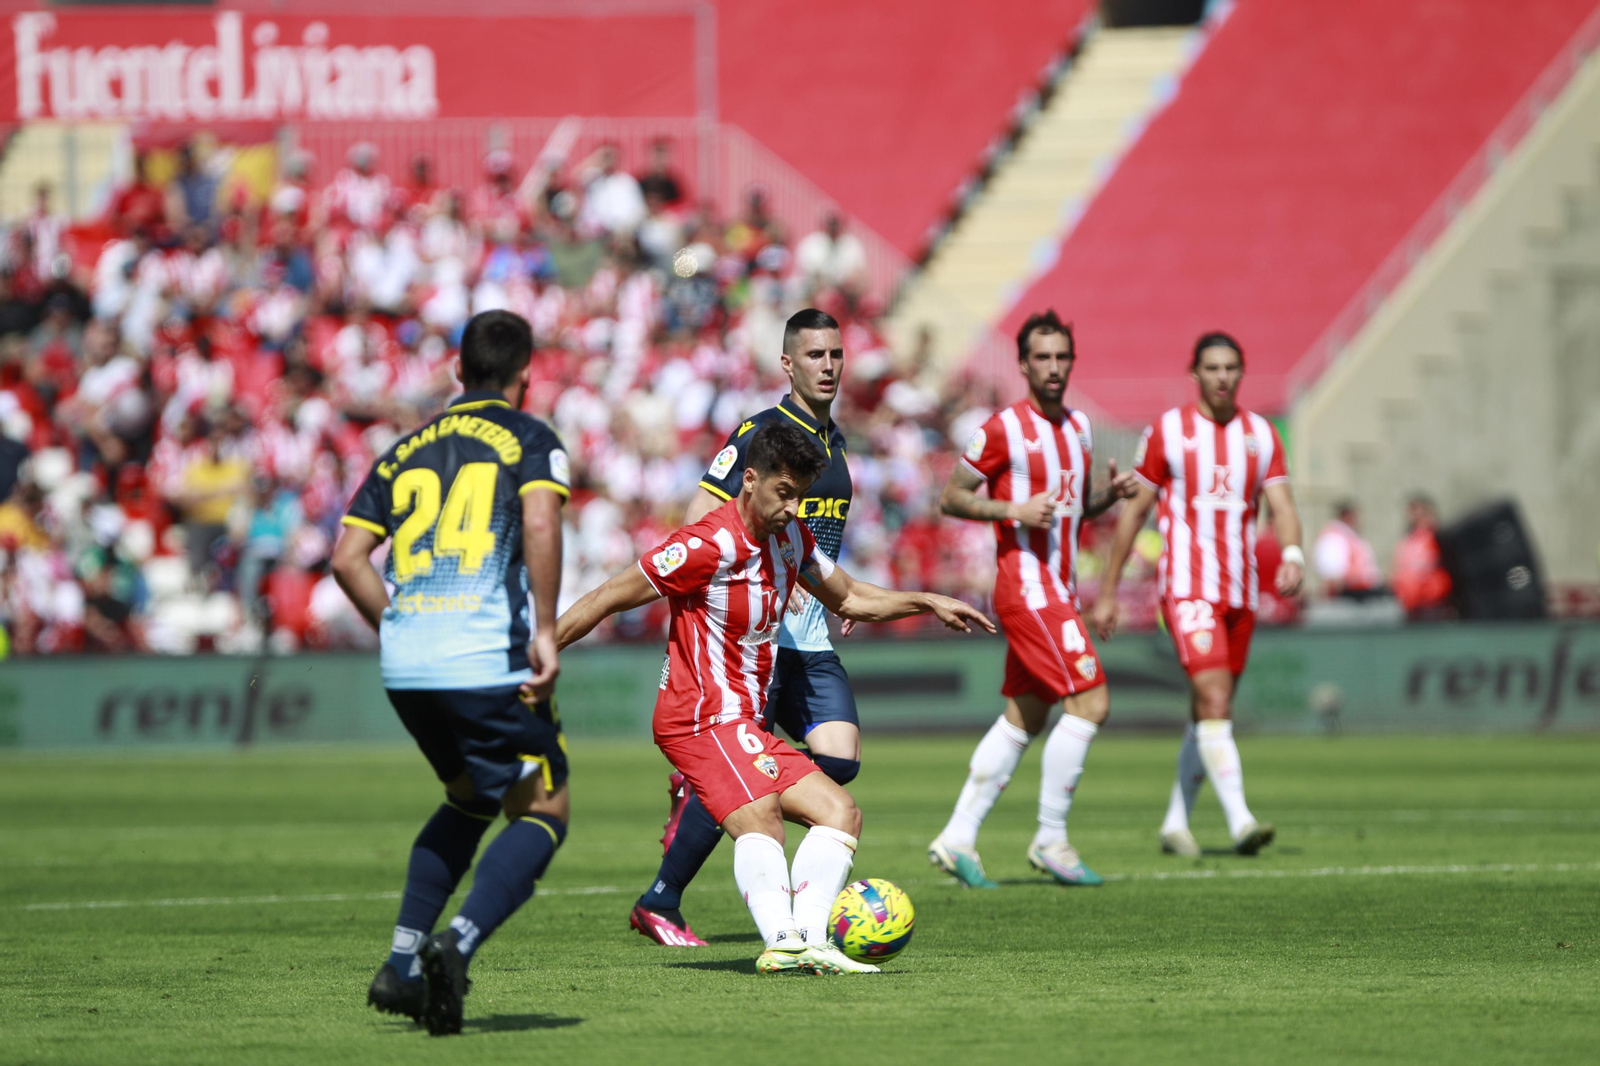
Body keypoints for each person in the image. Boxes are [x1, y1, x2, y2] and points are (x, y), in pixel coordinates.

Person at [555, 421, 994, 975]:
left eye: (801, 497)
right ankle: (782, 940)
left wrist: (926, 600)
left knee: (840, 811)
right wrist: (540, 653)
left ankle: (809, 940)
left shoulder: (791, 539)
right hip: (699, 718)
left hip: (745, 723)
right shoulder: (704, 544)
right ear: (749, 480)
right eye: (784, 494)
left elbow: (853, 597)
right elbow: (607, 596)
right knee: (761, 816)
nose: (792, 508)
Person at [331, 310, 570, 1036]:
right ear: (525, 374)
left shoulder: (404, 448)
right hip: (482, 657)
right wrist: (549, 630)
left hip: (406, 665)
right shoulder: (530, 436)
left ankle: (401, 968)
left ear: (457, 371)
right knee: (543, 808)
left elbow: (346, 558)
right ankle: (455, 944)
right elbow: (538, 522)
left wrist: (401, 627)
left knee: (469, 795)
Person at [628, 307, 858, 947]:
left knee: (839, 761)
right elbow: (704, 518)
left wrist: (834, 591)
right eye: (816, 355)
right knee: (749, 771)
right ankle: (665, 897)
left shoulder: (833, 442)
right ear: (787, 363)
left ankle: (705, 798)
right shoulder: (760, 433)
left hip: (808, 633)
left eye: (836, 354)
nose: (829, 366)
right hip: (750, 641)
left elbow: (819, 535)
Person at [926, 310, 1138, 889]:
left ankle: (957, 836)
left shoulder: (1078, 428)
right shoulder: (1001, 430)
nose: (1052, 367)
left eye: (1061, 357)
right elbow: (951, 498)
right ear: (1022, 364)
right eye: (1041, 357)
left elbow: (1071, 509)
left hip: (1059, 587)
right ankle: (1051, 839)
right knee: (1090, 704)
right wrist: (1010, 510)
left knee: (1027, 715)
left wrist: (1105, 497)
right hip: (1027, 586)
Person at [1092, 331, 1303, 858]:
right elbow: (1135, 512)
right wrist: (1110, 590)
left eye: (1231, 367)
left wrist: (1294, 554)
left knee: (1210, 709)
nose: (1222, 377)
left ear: (1242, 372)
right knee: (1213, 698)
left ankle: (1175, 822)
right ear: (1195, 373)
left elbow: (1281, 504)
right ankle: (1240, 821)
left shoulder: (1262, 434)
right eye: (1212, 367)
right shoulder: (1169, 432)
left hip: (1241, 591)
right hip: (1188, 588)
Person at [1392, 494, 1452, 620]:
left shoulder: (1437, 538)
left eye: (1419, 511)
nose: (1415, 516)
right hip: (1410, 606)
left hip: (1433, 605)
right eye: (1412, 511)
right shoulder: (1408, 541)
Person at [1314, 501, 1384, 600]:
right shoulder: (1334, 537)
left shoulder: (1348, 535)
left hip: (1361, 593)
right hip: (1351, 595)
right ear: (1348, 516)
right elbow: (1332, 574)